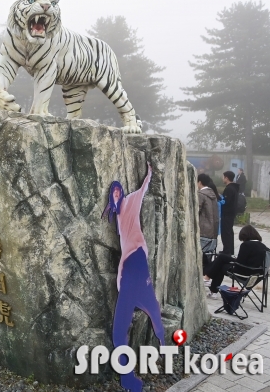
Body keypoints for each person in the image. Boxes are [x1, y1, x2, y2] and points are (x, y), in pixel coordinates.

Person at [102, 163, 165, 392]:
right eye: (114, 192)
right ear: (112, 196)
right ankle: (127, 376)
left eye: (119, 190)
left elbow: (142, 190)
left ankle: (163, 342)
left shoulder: (129, 202)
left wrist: (149, 174)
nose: (117, 194)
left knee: (154, 311)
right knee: (120, 329)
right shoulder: (116, 211)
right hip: (129, 270)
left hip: (137, 262)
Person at [203, 225, 269, 299]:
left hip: (243, 273)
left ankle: (209, 282)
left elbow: (239, 262)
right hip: (257, 275)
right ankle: (208, 281)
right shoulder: (264, 247)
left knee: (221, 261)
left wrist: (231, 259)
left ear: (245, 236)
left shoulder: (246, 245)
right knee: (222, 260)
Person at [197, 173, 220, 267]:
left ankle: (203, 277)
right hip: (213, 231)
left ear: (200, 182)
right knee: (208, 258)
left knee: (200, 260)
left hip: (203, 231)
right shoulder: (213, 195)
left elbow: (196, 210)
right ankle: (206, 276)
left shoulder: (201, 195)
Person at [220, 171, 240, 255]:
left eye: (223, 177)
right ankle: (229, 250)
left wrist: (220, 199)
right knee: (229, 232)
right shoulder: (234, 188)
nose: (222, 178)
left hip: (227, 214)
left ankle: (227, 251)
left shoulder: (229, 189)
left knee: (226, 233)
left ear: (226, 178)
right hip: (231, 213)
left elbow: (226, 202)